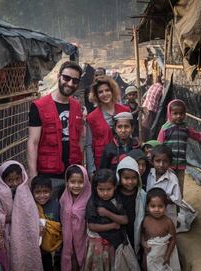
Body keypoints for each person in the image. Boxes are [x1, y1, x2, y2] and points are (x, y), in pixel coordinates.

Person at [27, 61, 84, 194]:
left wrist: (81, 168)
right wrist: (33, 175)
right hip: (48, 176)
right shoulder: (39, 106)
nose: (70, 83)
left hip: (72, 176)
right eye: (66, 78)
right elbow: (33, 142)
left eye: (75, 81)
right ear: (59, 76)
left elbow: (79, 140)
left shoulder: (77, 107)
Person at [157, 99, 201, 196]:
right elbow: (159, 146)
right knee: (166, 189)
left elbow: (199, 136)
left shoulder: (186, 128)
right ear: (169, 113)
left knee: (178, 191)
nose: (178, 116)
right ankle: (165, 209)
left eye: (181, 113)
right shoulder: (165, 128)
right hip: (167, 166)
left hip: (181, 166)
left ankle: (177, 210)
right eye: (175, 113)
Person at [84, 169, 139, 270]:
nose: (105, 193)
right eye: (101, 189)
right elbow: (91, 226)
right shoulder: (93, 202)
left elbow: (125, 220)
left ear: (114, 187)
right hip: (98, 243)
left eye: (109, 189)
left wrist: (107, 213)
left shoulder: (116, 200)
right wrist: (113, 225)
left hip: (115, 244)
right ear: (95, 188)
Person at [0, 161, 42, 271]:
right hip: (9, 232)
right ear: (3, 180)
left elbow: (32, 212)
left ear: (23, 177)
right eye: (10, 180)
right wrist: (16, 217)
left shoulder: (25, 191)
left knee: (28, 254)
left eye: (17, 179)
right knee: (14, 257)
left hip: (26, 231)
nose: (15, 183)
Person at [85, 76, 130, 175]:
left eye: (107, 90)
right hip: (101, 164)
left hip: (123, 161)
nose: (104, 94)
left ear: (113, 91)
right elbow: (88, 146)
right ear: (96, 95)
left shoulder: (125, 111)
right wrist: (91, 171)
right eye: (100, 92)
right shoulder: (92, 117)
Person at [59, 165, 91, 271]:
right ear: (67, 182)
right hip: (67, 241)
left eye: (80, 182)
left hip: (84, 241)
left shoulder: (89, 199)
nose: (76, 185)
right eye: (72, 182)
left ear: (86, 182)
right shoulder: (63, 199)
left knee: (82, 262)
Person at [141, 188, 180, 271]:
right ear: (147, 206)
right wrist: (143, 243)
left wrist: (167, 256)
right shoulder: (145, 220)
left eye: (160, 206)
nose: (156, 210)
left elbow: (173, 239)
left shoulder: (168, 222)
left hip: (163, 255)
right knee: (145, 267)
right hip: (149, 254)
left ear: (165, 207)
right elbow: (142, 234)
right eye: (153, 206)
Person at [115, 156, 147, 260]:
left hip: (135, 231)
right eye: (126, 178)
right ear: (119, 177)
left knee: (134, 253)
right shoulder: (115, 194)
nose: (130, 182)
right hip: (119, 232)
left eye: (133, 178)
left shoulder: (142, 195)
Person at [31, 176, 62, 271]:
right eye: (37, 192)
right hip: (33, 248)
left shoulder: (56, 205)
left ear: (51, 191)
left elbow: (58, 227)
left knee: (48, 266)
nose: (42, 195)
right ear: (32, 192)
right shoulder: (31, 206)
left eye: (45, 191)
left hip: (49, 248)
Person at [146, 145, 181, 226]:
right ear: (152, 161)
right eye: (157, 161)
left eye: (165, 161)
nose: (161, 165)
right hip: (151, 214)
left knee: (168, 234)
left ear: (170, 163)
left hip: (168, 216)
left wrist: (162, 200)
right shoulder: (149, 174)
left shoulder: (172, 179)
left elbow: (177, 200)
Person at [141, 75, 163, 141]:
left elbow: (143, 97)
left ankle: (143, 139)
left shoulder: (153, 85)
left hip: (145, 105)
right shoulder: (162, 88)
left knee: (144, 123)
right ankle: (145, 140)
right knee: (147, 125)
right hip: (151, 108)